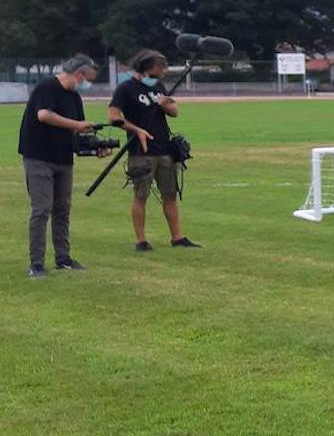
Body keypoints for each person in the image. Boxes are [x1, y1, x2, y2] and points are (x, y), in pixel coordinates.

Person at [17, 54, 103, 278]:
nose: (87, 85)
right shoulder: (47, 86)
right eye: (88, 79)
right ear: (78, 74)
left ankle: (63, 258)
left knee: (62, 210)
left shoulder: (74, 98)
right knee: (41, 209)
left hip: (63, 159)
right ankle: (36, 264)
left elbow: (78, 131)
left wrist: (95, 148)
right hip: (39, 157)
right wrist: (76, 124)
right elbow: (44, 115)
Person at [108, 49, 199, 251]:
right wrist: (136, 129)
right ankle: (141, 241)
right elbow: (113, 116)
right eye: (160, 67)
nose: (164, 71)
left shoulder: (158, 86)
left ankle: (177, 237)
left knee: (170, 195)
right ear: (147, 68)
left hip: (164, 150)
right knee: (141, 195)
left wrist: (166, 105)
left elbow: (174, 112)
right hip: (141, 152)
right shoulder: (126, 89)